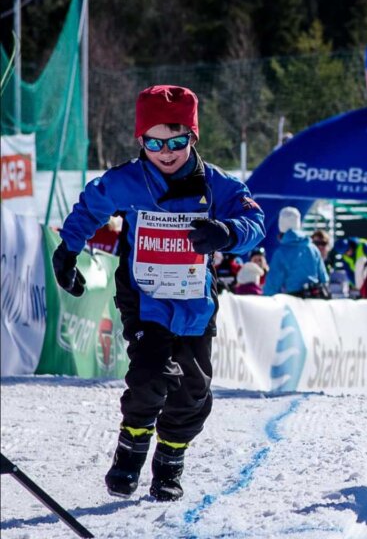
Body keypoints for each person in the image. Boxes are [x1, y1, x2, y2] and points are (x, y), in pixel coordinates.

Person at [50, 85, 265, 501]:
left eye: (177, 142)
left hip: (194, 300)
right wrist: (68, 251)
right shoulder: (128, 180)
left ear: (193, 138)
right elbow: (90, 207)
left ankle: (169, 461)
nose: (166, 153)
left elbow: (254, 221)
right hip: (144, 297)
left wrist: (227, 232)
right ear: (141, 140)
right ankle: (130, 453)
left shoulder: (216, 184)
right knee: (149, 374)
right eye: (154, 143)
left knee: (193, 391)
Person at [264, 207, 329, 298]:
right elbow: (324, 279)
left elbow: (272, 286)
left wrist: (267, 300)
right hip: (314, 298)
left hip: (294, 299)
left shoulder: (281, 253)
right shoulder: (312, 248)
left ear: (280, 226)